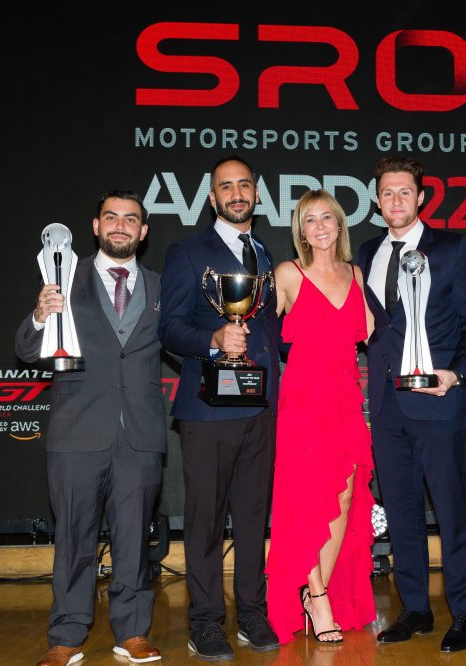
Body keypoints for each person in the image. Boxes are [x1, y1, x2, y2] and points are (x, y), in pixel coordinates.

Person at [15, 190, 166, 666]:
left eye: (131, 219)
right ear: (96, 226)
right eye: (111, 217)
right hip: (77, 431)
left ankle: (133, 632)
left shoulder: (161, 286)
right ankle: (66, 635)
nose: (121, 225)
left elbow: (183, 342)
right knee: (74, 540)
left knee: (134, 539)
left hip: (140, 433)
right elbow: (25, 350)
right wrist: (40, 314)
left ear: (143, 231)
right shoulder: (63, 275)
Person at [356, 156, 466, 653]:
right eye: (387, 192)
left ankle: (465, 613)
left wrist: (458, 375)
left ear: (421, 197)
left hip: (437, 399)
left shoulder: (452, 248)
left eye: (404, 192)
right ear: (376, 199)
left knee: (450, 511)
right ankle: (415, 609)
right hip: (387, 404)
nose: (396, 200)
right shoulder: (367, 251)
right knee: (401, 511)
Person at [158, 155, 281, 661]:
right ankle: (205, 622)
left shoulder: (265, 254)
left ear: (257, 193)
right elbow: (169, 329)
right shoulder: (188, 253)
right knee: (205, 522)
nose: (236, 194)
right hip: (208, 411)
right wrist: (212, 338)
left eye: (244, 185)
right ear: (212, 198)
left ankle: (252, 613)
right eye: (225, 187)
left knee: (253, 519)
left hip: (260, 408)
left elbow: (270, 332)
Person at [265, 189, 377, 644]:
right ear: (301, 230)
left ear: (339, 223)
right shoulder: (287, 274)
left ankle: (317, 591)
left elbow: (376, 334)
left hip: (345, 399)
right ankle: (318, 596)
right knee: (307, 501)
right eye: (309, 219)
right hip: (304, 402)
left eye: (326, 217)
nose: (319, 226)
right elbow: (260, 333)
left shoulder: (356, 274)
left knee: (343, 500)